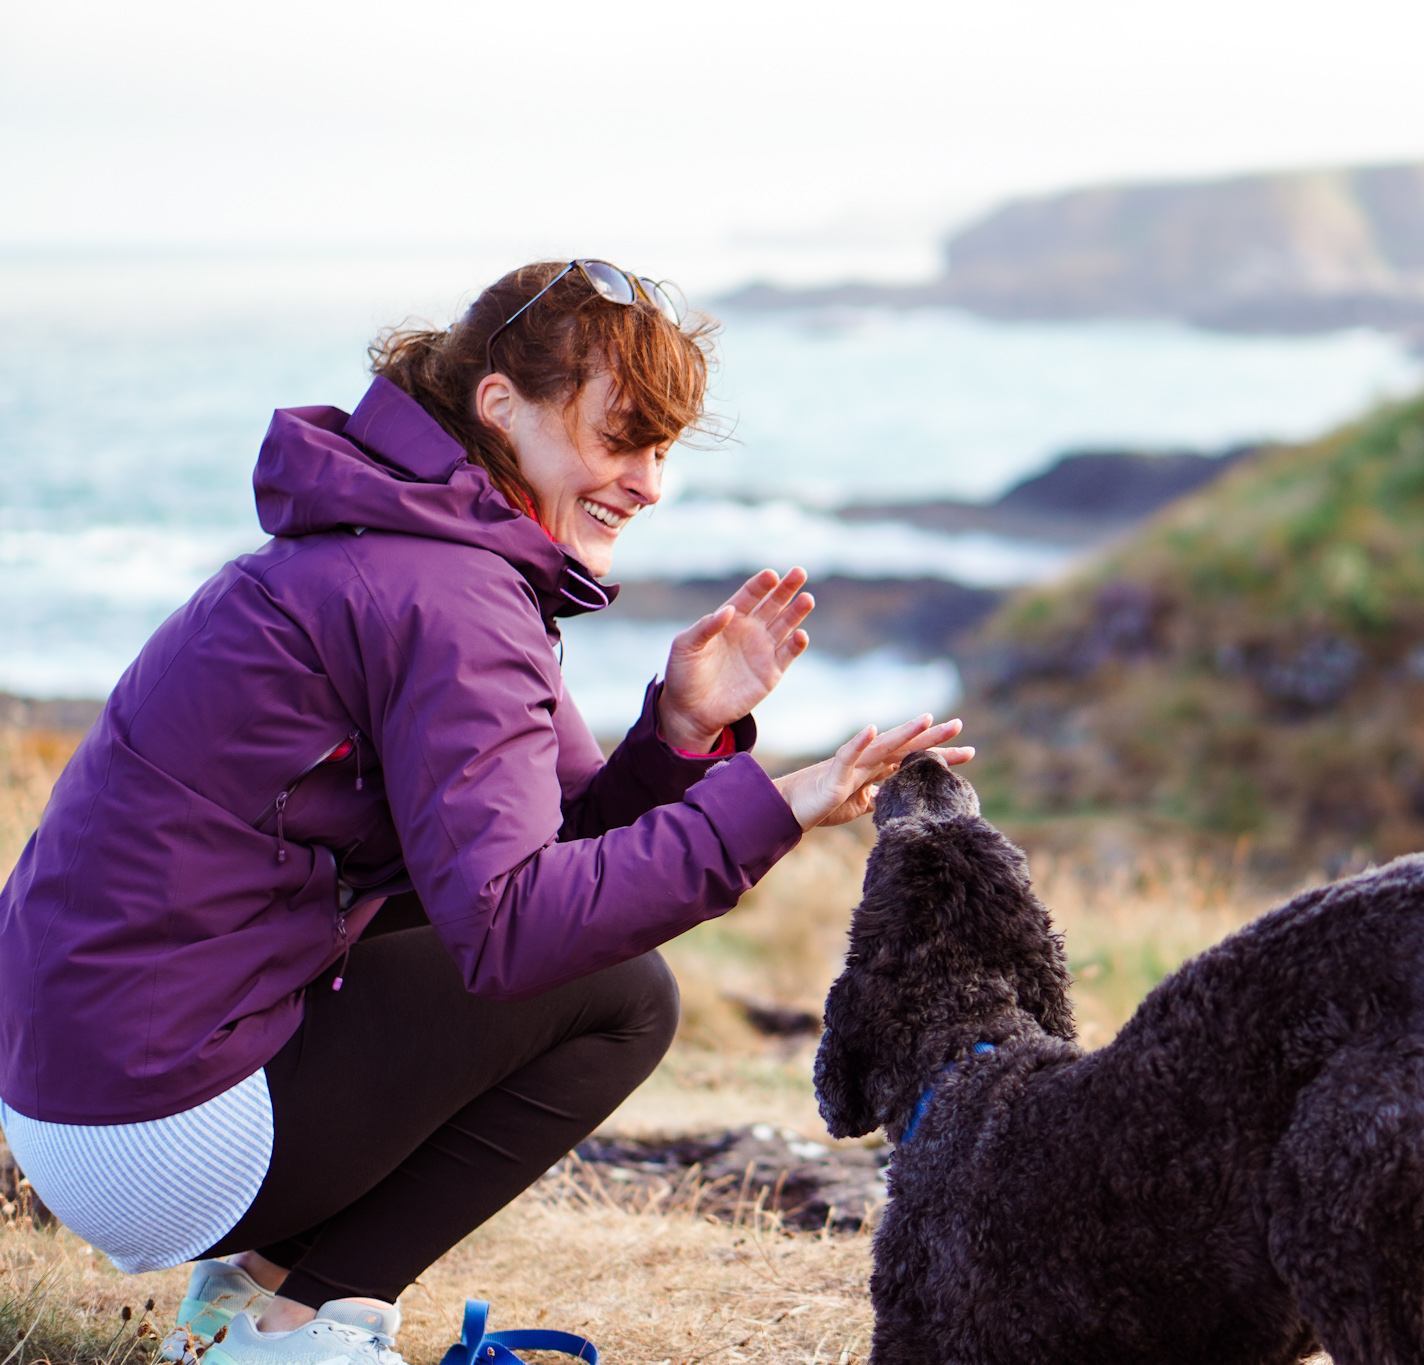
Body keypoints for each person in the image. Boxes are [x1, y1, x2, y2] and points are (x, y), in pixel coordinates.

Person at [0, 259, 971, 1365]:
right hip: (149, 1125)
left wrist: (681, 736)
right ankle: (300, 1328)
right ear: (498, 406)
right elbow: (523, 929)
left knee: (542, 939)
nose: (648, 483)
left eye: (661, 449)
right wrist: (773, 806)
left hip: (70, 1083)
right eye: (620, 440)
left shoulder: (404, 554)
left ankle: (249, 1307)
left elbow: (547, 855)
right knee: (623, 997)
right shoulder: (447, 596)